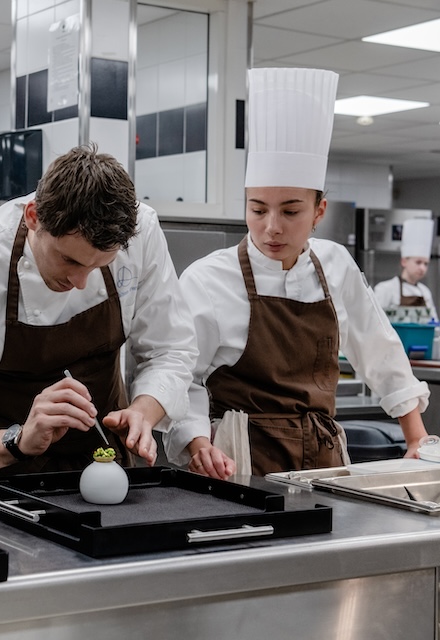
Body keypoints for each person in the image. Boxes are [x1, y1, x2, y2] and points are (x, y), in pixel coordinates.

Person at [164, 67, 430, 479]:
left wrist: (416, 438)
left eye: (290, 211)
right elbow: (183, 375)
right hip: (238, 461)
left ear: (319, 211)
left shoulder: (335, 265)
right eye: (257, 209)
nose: (272, 227)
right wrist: (198, 443)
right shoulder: (208, 278)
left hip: (323, 462)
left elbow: (378, 348)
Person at [0, 144, 198, 493]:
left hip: (104, 464)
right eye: (70, 261)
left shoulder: (142, 233)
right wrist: (18, 440)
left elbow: (170, 348)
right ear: (33, 216)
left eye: (100, 266)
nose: (80, 283)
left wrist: (144, 410)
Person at [374, 217, 437, 320]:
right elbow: (375, 322)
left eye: (426, 264)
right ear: (404, 262)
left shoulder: (425, 292)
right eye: (418, 262)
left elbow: (434, 324)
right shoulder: (385, 289)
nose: (422, 268)